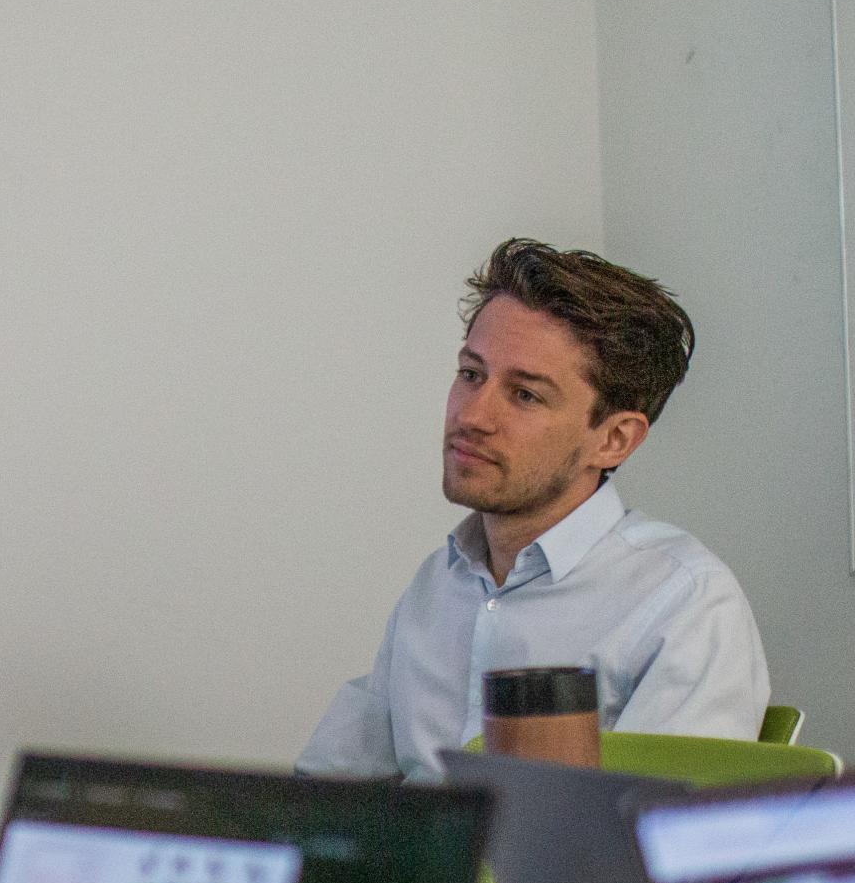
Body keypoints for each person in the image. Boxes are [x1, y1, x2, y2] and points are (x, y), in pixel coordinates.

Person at [300, 238, 768, 778]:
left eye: (525, 395)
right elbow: (329, 789)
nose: (473, 415)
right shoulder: (438, 584)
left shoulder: (683, 602)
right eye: (471, 374)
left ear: (613, 440)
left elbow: (658, 844)